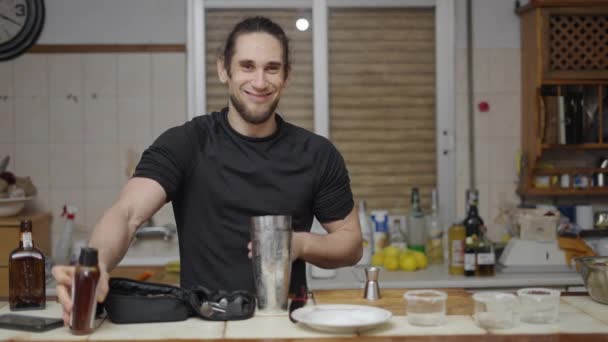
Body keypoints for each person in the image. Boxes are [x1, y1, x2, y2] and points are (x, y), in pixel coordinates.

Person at [52, 16, 362, 324]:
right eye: (247, 66)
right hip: (202, 326)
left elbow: (350, 243)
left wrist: (300, 244)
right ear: (223, 69)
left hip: (284, 323)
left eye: (272, 68)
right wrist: (96, 265)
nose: (259, 82)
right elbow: (127, 212)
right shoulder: (185, 143)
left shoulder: (317, 154)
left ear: (286, 75)